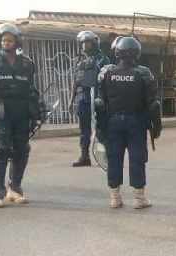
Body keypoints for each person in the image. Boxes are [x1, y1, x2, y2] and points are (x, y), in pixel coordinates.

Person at [0, 23, 41, 208]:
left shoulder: (26, 63)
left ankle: (15, 189)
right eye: (3, 40)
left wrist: (35, 114)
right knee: (1, 150)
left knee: (21, 150)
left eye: (10, 40)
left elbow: (31, 91)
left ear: (17, 41)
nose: (6, 43)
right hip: (1, 113)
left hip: (22, 113)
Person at [95, 36, 161, 209]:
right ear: (136, 52)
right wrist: (156, 127)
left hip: (113, 122)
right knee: (137, 158)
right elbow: (153, 104)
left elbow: (100, 103)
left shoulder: (106, 72)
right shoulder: (143, 72)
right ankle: (139, 198)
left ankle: (115, 197)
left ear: (117, 52)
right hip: (136, 121)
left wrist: (99, 127)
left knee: (114, 158)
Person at [68, 31, 110, 167]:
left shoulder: (103, 60)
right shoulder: (79, 62)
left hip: (98, 97)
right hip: (83, 98)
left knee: (102, 127)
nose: (85, 45)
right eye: (83, 43)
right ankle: (84, 156)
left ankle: (105, 157)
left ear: (94, 44)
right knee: (83, 129)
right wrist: (71, 100)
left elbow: (107, 80)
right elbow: (75, 82)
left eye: (88, 42)